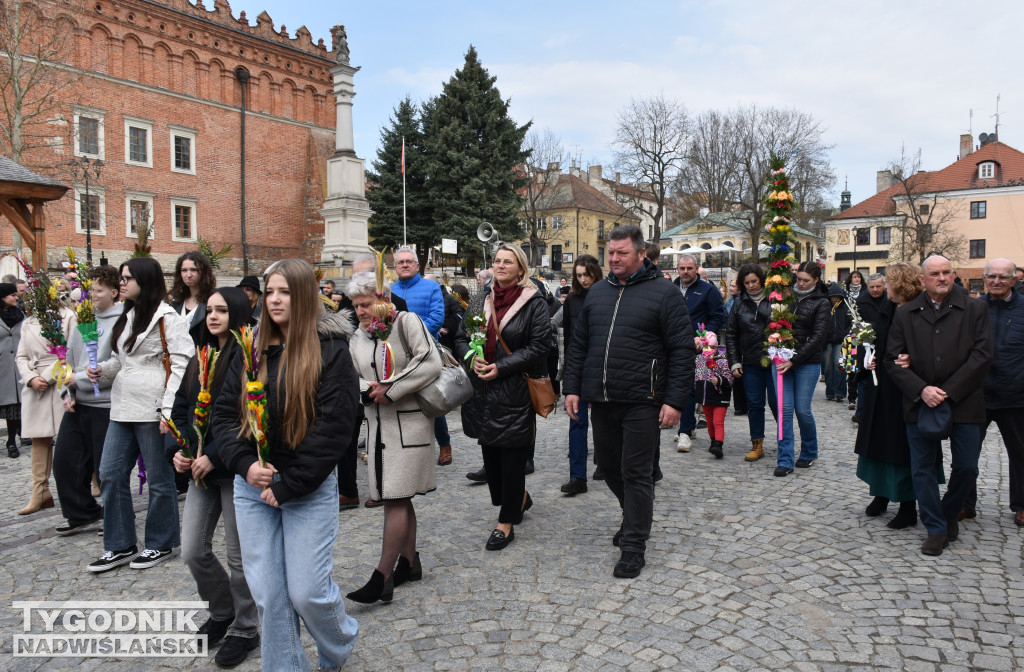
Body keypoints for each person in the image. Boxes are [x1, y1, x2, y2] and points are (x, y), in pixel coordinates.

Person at [213, 258, 359, 670]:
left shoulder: (330, 351)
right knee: (270, 595)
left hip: (305, 489)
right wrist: (244, 465)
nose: (275, 300)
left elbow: (335, 428)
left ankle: (339, 642)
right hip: (253, 486)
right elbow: (224, 416)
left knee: (307, 591)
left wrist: (289, 484)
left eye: (286, 292)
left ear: (305, 297)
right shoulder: (250, 348)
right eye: (270, 291)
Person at [563, 225, 694, 579]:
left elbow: (682, 351)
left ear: (640, 254)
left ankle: (634, 545)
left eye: (622, 253)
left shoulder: (665, 294)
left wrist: (675, 401)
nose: (615, 259)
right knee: (608, 466)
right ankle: (632, 514)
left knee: (637, 473)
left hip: (643, 399)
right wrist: (572, 387)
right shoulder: (598, 293)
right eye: (611, 253)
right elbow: (578, 345)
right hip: (602, 397)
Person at [86, 258, 194, 572]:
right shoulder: (127, 314)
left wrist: (169, 410)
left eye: (127, 278)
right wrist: (101, 371)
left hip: (153, 406)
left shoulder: (167, 317)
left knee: (160, 480)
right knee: (110, 472)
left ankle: (160, 542)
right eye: (121, 278)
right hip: (121, 405)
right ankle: (120, 544)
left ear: (144, 281)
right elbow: (122, 361)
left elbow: (181, 364)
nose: (122, 283)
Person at [171, 287, 259, 667]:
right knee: (192, 549)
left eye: (222, 310)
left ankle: (245, 626)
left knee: (239, 558)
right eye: (210, 310)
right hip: (199, 469)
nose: (214, 316)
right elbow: (182, 407)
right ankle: (222, 611)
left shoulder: (247, 356)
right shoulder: (200, 354)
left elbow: (245, 417)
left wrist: (214, 454)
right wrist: (181, 451)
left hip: (233, 468)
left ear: (237, 313)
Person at [885, 255, 992, 556]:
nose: (942, 278)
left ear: (954, 275)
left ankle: (948, 512)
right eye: (935, 274)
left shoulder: (975, 309)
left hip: (965, 399)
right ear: (922, 280)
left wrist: (947, 391)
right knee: (923, 468)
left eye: (947, 272)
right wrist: (921, 389)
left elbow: (982, 356)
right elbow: (891, 359)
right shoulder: (906, 313)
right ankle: (935, 527)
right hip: (920, 400)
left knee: (967, 467)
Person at [345, 271, 441, 603]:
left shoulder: (406, 322)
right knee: (398, 497)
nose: (360, 311)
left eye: (365, 303)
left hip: (410, 426)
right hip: (378, 430)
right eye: (356, 305)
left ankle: (382, 575)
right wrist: (367, 391)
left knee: (395, 499)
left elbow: (431, 361)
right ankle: (410, 563)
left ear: (382, 299)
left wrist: (392, 387)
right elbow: (352, 376)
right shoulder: (356, 338)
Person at [454, 243, 550, 552]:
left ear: (521, 269)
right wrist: (472, 356)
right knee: (492, 462)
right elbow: (460, 337)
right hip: (482, 390)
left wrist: (501, 367)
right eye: (497, 260)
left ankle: (505, 524)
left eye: (508, 261)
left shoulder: (533, 302)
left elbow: (538, 346)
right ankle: (518, 499)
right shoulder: (481, 298)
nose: (501, 265)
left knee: (511, 461)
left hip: (514, 390)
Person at [855, 263, 928, 530]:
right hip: (881, 384)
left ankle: (908, 505)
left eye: (888, 283)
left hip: (906, 388)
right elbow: (877, 342)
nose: (884, 288)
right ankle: (881, 493)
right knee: (879, 438)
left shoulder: (919, 311)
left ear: (900, 284)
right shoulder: (886, 309)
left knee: (902, 445)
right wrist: (869, 359)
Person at [52, 265, 123, 534]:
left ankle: (115, 516)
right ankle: (82, 513)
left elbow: (115, 365)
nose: (92, 294)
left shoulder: (122, 322)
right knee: (65, 463)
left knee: (104, 467)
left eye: (98, 290)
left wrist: (78, 380)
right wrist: (66, 392)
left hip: (105, 406)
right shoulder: (84, 321)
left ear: (114, 292)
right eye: (90, 289)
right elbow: (67, 363)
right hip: (78, 404)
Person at [962, 258, 1024, 527]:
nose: (997, 281)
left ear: (1015, 279)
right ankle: (964, 504)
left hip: (1016, 394)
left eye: (1003, 277)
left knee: (1021, 453)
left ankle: (1022, 505)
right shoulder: (972, 308)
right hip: (978, 394)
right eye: (992, 276)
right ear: (984, 278)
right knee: (967, 452)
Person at [15, 288, 76, 514]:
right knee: (39, 438)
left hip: (60, 379)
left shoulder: (67, 316)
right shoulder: (27, 322)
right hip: (36, 386)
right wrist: (31, 378)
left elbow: (70, 349)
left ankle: (89, 483)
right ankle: (40, 491)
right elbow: (21, 355)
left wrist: (48, 376)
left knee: (73, 438)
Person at [391, 247, 450, 468]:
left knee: (430, 399)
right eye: (400, 262)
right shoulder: (389, 289)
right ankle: (408, 447)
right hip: (396, 353)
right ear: (395, 267)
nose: (404, 265)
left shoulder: (431, 287)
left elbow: (436, 319)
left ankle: (444, 443)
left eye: (409, 261)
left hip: (425, 351)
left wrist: (410, 336)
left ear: (417, 265)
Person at [772, 261, 829, 477]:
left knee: (802, 410)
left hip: (807, 362)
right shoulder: (785, 296)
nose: (802, 283)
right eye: (799, 279)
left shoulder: (821, 303)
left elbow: (818, 336)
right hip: (780, 359)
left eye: (807, 280)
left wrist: (794, 359)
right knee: (784, 410)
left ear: (816, 279)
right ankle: (784, 458)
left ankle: (809, 450)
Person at [725, 264, 778, 462]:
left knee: (777, 403)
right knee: (755, 405)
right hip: (750, 363)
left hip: (773, 361)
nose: (751, 286)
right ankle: (757, 444)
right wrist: (734, 362)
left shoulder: (775, 299)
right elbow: (731, 335)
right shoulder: (738, 303)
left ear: (761, 280)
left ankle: (785, 440)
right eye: (746, 283)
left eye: (754, 281)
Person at [673, 254, 726, 452]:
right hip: (675, 344)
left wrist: (703, 336)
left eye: (689, 268)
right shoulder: (672, 289)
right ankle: (688, 427)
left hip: (699, 346)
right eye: (682, 268)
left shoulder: (708, 290)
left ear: (696, 268)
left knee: (690, 388)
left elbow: (718, 316)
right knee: (681, 386)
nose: (685, 272)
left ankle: (685, 432)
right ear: (677, 269)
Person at [560, 255, 602, 496]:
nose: (583, 279)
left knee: (602, 420)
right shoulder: (572, 301)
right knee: (576, 421)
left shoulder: (607, 295)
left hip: (602, 367)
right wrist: (569, 372)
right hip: (579, 366)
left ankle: (604, 462)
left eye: (587, 274)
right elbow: (568, 340)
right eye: (579, 275)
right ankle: (577, 476)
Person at [851, 273, 889, 421]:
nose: (875, 290)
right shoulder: (861, 300)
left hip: (885, 343)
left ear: (884, 286)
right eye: (872, 287)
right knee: (864, 378)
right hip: (865, 344)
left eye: (878, 286)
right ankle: (861, 413)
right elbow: (856, 323)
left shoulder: (889, 299)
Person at [694, 330, 732, 459]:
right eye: (707, 347)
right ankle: (713, 441)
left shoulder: (722, 361)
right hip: (705, 396)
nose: (710, 350)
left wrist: (720, 380)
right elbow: (696, 376)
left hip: (720, 396)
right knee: (709, 421)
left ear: (717, 348)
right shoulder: (699, 359)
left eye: (713, 347)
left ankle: (718, 444)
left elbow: (729, 377)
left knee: (718, 421)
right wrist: (697, 390)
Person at [170, 251, 216, 346]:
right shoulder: (176, 300)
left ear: (203, 272)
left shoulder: (213, 300)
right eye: (184, 270)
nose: (188, 275)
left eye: (194, 270)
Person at [0, 283, 25, 458]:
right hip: (1, 367)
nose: (16, 297)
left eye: (17, 295)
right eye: (12, 295)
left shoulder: (20, 315)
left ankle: (11, 442)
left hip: (16, 367)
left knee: (14, 408)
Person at [723, 277, 747, 417]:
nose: (731, 288)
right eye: (730, 286)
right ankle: (739, 405)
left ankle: (745, 403)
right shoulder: (729, 301)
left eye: (733, 286)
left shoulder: (741, 301)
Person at [823, 283, 850, 402]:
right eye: (833, 296)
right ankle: (830, 392)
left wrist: (844, 334)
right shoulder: (825, 307)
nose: (835, 299)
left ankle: (840, 392)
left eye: (837, 296)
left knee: (839, 365)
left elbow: (850, 323)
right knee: (828, 367)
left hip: (840, 340)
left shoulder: (844, 307)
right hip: (827, 341)